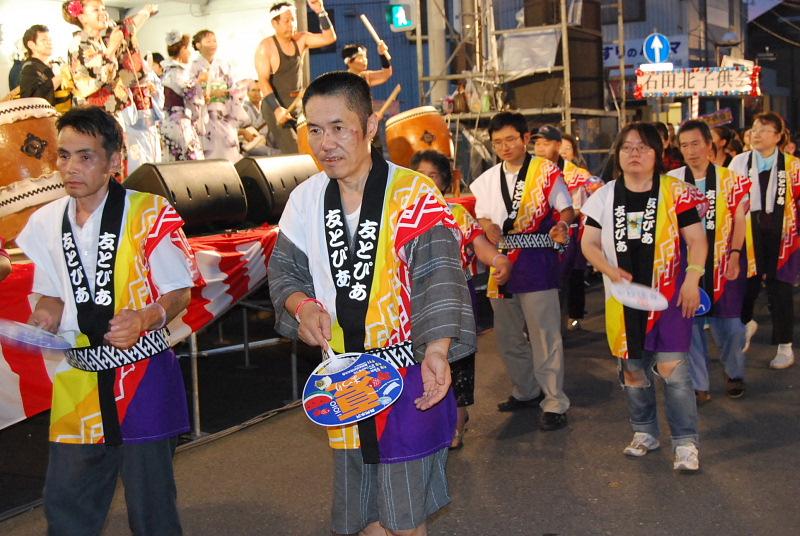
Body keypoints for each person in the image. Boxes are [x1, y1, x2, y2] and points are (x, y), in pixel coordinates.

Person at [268, 71, 475, 536]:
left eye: (339, 127)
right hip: (343, 382)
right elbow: (284, 273)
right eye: (314, 130)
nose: (326, 143)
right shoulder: (305, 199)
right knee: (361, 515)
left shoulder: (413, 194)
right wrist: (302, 308)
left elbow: (439, 275)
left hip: (406, 375)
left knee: (404, 516)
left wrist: (438, 351)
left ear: (370, 125)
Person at [15, 106, 198, 535]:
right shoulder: (45, 222)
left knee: (151, 508)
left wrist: (147, 316)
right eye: (64, 155)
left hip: (142, 376)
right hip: (78, 378)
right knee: (66, 506)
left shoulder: (149, 213)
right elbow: (54, 296)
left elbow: (180, 293)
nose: (70, 168)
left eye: (85, 156)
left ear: (115, 161)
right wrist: (45, 316)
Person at [581, 122, 708, 472]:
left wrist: (692, 278)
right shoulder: (604, 195)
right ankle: (644, 432)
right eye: (627, 147)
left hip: (669, 299)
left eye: (643, 147)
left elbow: (697, 240)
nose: (634, 153)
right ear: (618, 155)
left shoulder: (675, 192)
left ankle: (685, 443)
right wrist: (608, 269)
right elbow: (588, 243)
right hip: (621, 300)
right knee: (633, 371)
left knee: (674, 371)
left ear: (657, 154)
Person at [470, 112, 573, 431]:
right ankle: (526, 389)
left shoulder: (546, 171)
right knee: (508, 335)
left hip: (536, 260)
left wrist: (562, 224)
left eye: (510, 139)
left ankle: (555, 400)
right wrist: (488, 226)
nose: (504, 146)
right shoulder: (486, 180)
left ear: (525, 138)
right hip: (500, 263)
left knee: (544, 334)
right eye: (497, 142)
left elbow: (566, 209)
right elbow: (483, 219)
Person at [411, 149, 512, 449]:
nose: (425, 181)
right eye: (419, 176)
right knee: (422, 361)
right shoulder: (401, 215)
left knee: (458, 363)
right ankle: (428, 418)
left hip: (455, 298)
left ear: (443, 181)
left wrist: (498, 261)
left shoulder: (455, 213)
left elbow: (480, 247)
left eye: (432, 176)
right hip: (415, 301)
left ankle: (458, 419)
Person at [670, 120, 753, 402]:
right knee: (690, 325)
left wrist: (735, 254)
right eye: (684, 145)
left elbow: (739, 220)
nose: (690, 151)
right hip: (687, 265)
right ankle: (699, 385)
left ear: (710, 145)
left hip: (723, 263)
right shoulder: (672, 181)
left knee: (730, 326)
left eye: (695, 144)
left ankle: (734, 373)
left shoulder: (732, 180)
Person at [729, 112, 800, 369]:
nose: (756, 134)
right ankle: (747, 322)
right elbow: (731, 200)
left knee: (780, 289)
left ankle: (784, 346)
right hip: (748, 233)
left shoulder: (793, 166)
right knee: (746, 285)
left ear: (778, 137)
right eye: (754, 129)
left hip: (783, 237)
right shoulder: (738, 162)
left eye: (764, 130)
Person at [254, 0, 336, 154]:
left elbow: (329, 38)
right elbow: (263, 82)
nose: (291, 24)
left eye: (293, 20)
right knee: (293, 150)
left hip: (298, 103)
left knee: (313, 147)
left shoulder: (301, 39)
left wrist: (321, 11)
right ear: (275, 24)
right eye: (286, 21)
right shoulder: (266, 47)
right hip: (275, 105)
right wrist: (277, 109)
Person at [62, 1, 157, 116]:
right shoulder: (79, 44)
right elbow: (99, 77)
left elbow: (126, 31)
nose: (103, 13)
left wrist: (145, 12)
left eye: (103, 9)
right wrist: (112, 47)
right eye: (96, 10)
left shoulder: (101, 42)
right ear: (82, 18)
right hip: (93, 115)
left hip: (110, 111)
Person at [540, 128, 592, 330]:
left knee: (569, 277)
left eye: (547, 143)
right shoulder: (536, 171)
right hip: (543, 232)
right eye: (539, 144)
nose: (542, 149)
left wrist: (562, 218)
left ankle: (570, 318)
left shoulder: (577, 174)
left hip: (569, 232)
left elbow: (579, 208)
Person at [190, 29, 246, 162]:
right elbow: (189, 91)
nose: (213, 44)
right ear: (198, 45)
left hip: (223, 114)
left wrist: (231, 92)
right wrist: (206, 94)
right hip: (204, 116)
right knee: (209, 154)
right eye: (208, 41)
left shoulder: (223, 65)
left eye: (214, 41)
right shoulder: (193, 67)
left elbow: (233, 87)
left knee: (229, 153)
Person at [161, 30, 204, 161]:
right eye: (189, 48)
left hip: (171, 120)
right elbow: (188, 92)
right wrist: (200, 81)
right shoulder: (175, 71)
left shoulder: (169, 70)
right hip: (179, 122)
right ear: (183, 49)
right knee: (188, 157)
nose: (190, 52)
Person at [19, 25, 63, 105]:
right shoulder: (29, 69)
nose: (49, 43)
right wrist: (61, 77)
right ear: (31, 45)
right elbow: (31, 100)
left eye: (50, 40)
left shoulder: (49, 65)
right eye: (44, 40)